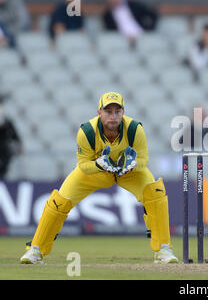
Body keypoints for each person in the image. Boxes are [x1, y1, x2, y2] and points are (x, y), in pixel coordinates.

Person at [20, 92, 178, 264]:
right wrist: (99, 165)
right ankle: (36, 250)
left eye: (117, 112)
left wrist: (132, 165)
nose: (113, 116)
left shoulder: (134, 129)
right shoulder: (87, 132)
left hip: (128, 172)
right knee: (59, 202)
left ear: (123, 113)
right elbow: (83, 165)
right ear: (99, 112)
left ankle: (164, 249)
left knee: (155, 192)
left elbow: (143, 159)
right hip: (96, 172)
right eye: (108, 111)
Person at [0, 103, 22, 178]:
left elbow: (14, 135)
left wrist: (19, 145)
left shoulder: (7, 123)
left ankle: (2, 176)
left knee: (5, 162)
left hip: (4, 147)